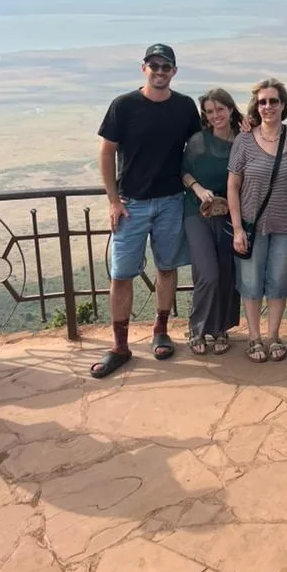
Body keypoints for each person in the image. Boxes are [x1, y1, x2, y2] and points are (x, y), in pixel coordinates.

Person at [91, 44, 200, 378]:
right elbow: (106, 152)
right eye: (154, 65)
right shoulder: (124, 106)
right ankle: (120, 346)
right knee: (122, 275)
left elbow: (200, 146)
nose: (160, 71)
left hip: (170, 200)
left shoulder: (184, 106)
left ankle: (160, 330)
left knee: (167, 268)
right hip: (131, 205)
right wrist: (113, 200)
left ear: (174, 72)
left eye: (166, 66)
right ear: (144, 68)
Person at [227, 79, 287, 362]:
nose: (268, 106)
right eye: (262, 102)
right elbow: (232, 186)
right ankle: (254, 337)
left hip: (286, 224)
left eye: (273, 101)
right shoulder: (244, 140)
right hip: (250, 225)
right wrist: (236, 228)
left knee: (278, 282)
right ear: (255, 107)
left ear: (284, 105)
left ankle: (273, 336)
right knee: (251, 281)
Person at [181, 88, 242, 355]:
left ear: (230, 109)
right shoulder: (198, 141)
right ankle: (198, 328)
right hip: (197, 211)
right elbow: (183, 172)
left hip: (230, 214)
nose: (215, 115)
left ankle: (220, 329)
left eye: (219, 109)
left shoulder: (243, 141)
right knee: (208, 274)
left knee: (227, 273)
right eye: (209, 111)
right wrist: (199, 189)